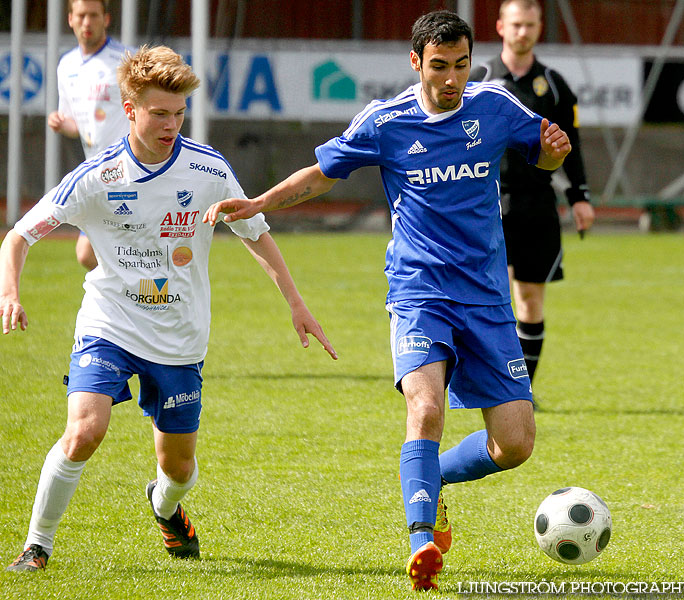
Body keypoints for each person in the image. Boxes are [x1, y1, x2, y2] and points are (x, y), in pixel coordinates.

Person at [203, 10, 571, 592]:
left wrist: (553, 151)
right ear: (416, 63)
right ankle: (421, 540)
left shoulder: (497, 106)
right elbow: (323, 174)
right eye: (439, 66)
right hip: (419, 289)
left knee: (516, 443)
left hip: (485, 298)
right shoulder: (387, 120)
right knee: (425, 409)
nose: (451, 78)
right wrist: (259, 202)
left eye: (461, 65)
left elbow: (543, 155)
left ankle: (434, 478)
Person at [1, 45, 337, 573]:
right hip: (109, 323)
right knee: (84, 431)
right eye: (160, 113)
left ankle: (165, 507)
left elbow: (254, 233)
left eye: (179, 113)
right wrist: (10, 293)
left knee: (177, 468)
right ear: (130, 110)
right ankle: (36, 545)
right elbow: (18, 237)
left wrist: (296, 302)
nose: (171, 124)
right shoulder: (98, 177)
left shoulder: (208, 170)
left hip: (179, 339)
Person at [469, 0, 595, 384]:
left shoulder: (554, 85)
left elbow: (570, 144)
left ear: (540, 28)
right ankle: (481, 380)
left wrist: (580, 197)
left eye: (530, 25)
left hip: (538, 203)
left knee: (530, 300)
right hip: (486, 202)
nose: (523, 31)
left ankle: (521, 390)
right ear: (501, 27)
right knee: (486, 297)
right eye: (516, 24)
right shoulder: (479, 77)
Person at [49, 0, 131, 271]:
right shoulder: (66, 65)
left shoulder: (124, 60)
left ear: (106, 19)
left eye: (93, 15)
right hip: (97, 172)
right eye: (81, 15)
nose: (87, 22)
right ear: (70, 19)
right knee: (88, 254)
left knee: (89, 251)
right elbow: (78, 126)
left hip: (130, 169)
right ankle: (136, 288)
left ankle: (141, 289)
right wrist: (62, 124)